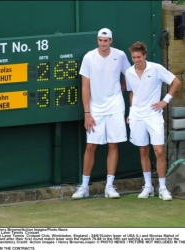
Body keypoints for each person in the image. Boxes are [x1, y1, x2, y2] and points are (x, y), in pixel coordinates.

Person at [72, 28, 131, 199]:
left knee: (113, 144)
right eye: (100, 40)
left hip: (115, 107)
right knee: (91, 146)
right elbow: (85, 86)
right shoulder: (89, 57)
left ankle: (109, 186)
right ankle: (84, 187)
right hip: (95, 109)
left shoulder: (119, 56)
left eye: (106, 41)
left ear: (111, 41)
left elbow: (129, 74)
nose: (103, 43)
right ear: (97, 40)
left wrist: (120, 90)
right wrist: (87, 112)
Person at [125, 41, 180, 201]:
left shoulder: (156, 69)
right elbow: (132, 93)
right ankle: (148, 186)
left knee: (159, 151)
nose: (136, 60)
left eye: (139, 57)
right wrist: (131, 112)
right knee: (143, 151)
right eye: (134, 57)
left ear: (145, 56)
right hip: (137, 116)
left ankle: (162, 188)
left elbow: (176, 81)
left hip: (154, 116)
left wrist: (165, 100)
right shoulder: (129, 72)